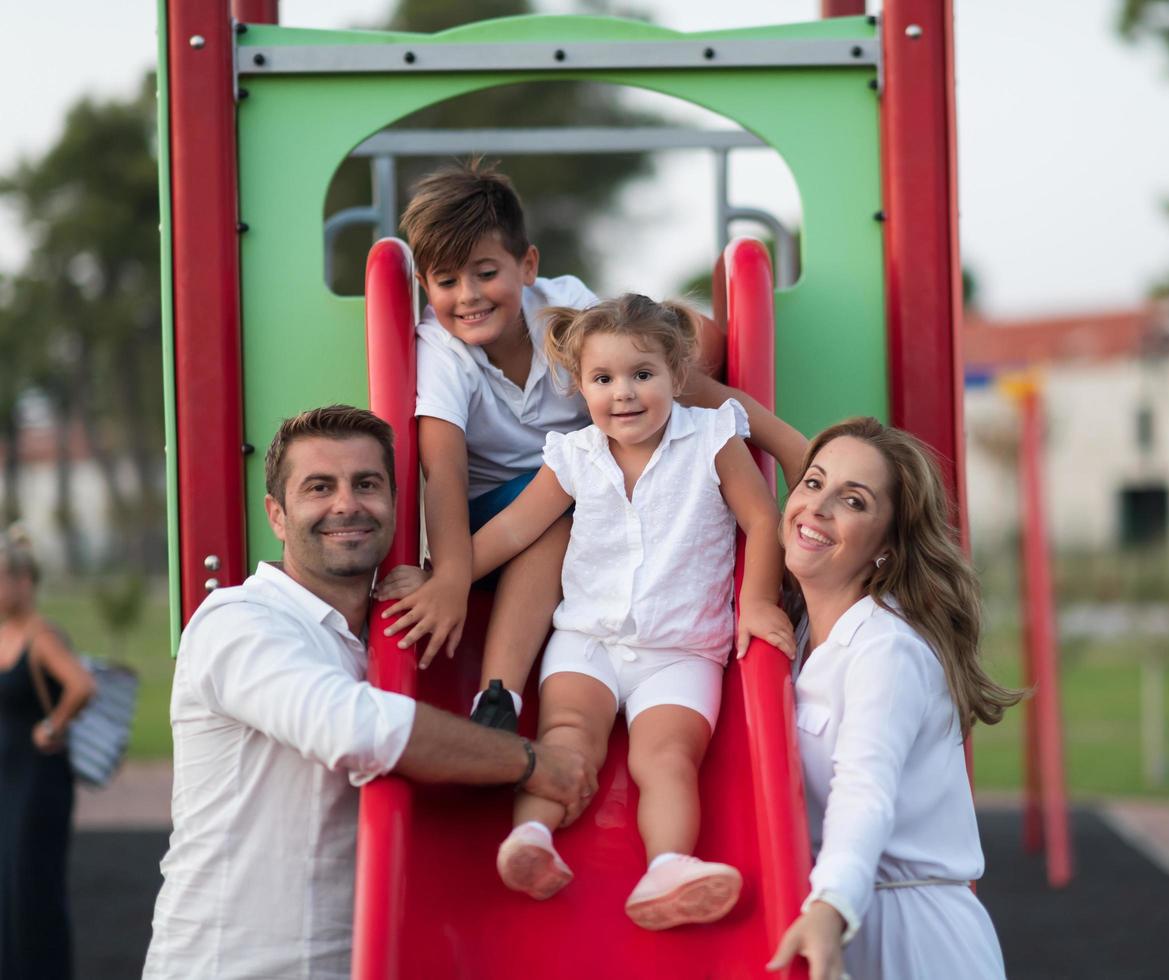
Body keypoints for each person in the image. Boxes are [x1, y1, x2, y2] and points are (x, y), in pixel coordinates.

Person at [379, 295, 796, 930]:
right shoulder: (574, 454)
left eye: (642, 375)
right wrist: (444, 578)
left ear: (676, 377)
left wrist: (759, 600)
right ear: (580, 386)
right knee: (566, 735)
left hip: (680, 648)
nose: (623, 394)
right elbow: (517, 528)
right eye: (603, 379)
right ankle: (532, 839)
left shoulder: (713, 437)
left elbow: (762, 519)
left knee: (667, 759)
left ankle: (668, 867)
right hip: (586, 639)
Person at [143, 405, 598, 980]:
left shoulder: (389, 638)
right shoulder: (238, 620)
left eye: (367, 484)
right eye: (319, 487)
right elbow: (355, 729)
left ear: (394, 503)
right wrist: (532, 763)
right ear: (277, 516)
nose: (347, 505)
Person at [396, 160, 808, 734]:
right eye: (445, 281)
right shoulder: (441, 351)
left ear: (528, 265)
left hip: (595, 513)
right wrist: (448, 577)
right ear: (424, 285)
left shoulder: (562, 307)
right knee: (563, 511)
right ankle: (499, 697)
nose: (467, 296)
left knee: (649, 355)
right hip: (487, 525)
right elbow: (443, 473)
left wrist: (789, 447)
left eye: (485, 273)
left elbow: (663, 376)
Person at [766, 418, 1020, 980]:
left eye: (853, 501)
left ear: (887, 544)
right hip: (836, 917)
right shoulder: (798, 630)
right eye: (812, 483)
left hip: (912, 935)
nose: (818, 508)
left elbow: (865, 790)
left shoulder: (888, 648)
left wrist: (830, 906)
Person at [0, 525, 95, 980]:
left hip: (37, 781)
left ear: (24, 581)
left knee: (31, 886)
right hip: (4, 777)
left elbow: (82, 685)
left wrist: (52, 725)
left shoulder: (41, 636)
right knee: (5, 887)